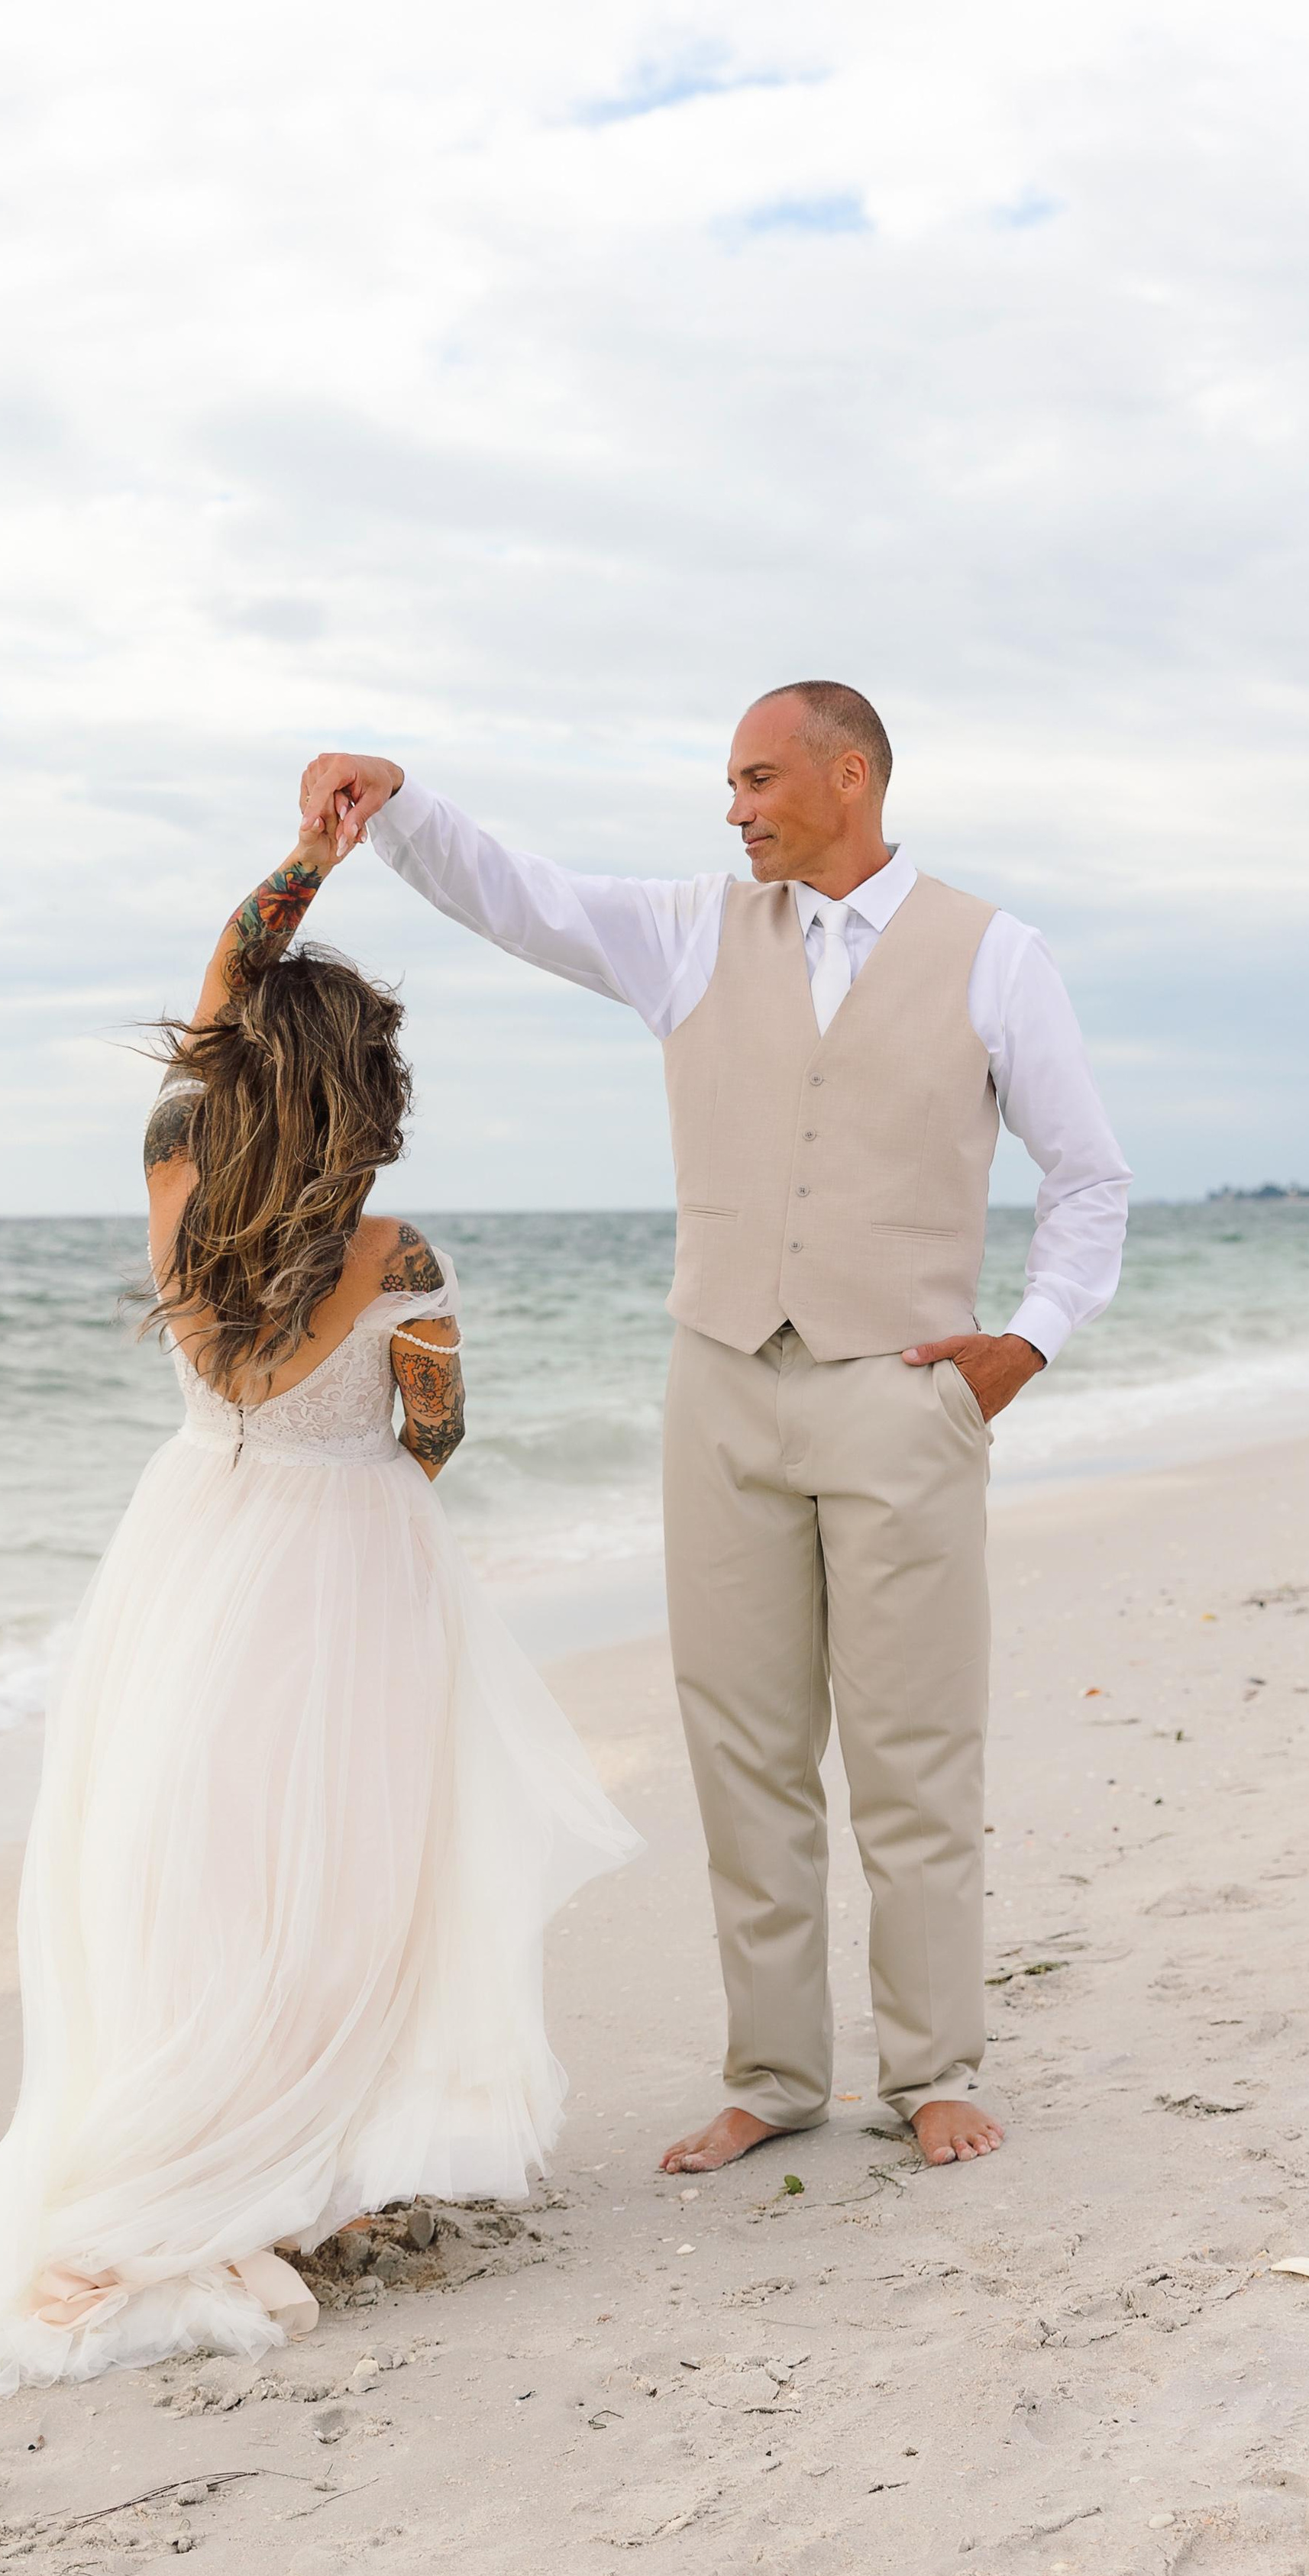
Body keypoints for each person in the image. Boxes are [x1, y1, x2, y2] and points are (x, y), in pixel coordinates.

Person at [0, 800, 638, 2400]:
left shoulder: (174, 1168)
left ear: (237, 1079)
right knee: (343, 1874)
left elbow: (223, 1000)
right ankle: (294, 2156)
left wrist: (306, 860)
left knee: (193, 1864)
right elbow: (436, 1438)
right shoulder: (396, 1254)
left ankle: (221, 2142)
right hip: (351, 1559)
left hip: (194, 1545)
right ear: (368, 1089)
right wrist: (374, 1428)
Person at [298, 683, 1130, 2177]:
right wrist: (401, 806)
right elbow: (523, 899)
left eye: (755, 779)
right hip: (723, 1384)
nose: (733, 808)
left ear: (849, 776)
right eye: (730, 785)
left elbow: (1088, 1178)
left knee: (913, 1751)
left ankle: (932, 2068)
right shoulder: (691, 933)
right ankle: (776, 2075)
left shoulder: (994, 955)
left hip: (903, 1390)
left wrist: (1025, 1343)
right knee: (741, 1750)